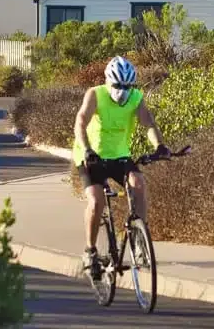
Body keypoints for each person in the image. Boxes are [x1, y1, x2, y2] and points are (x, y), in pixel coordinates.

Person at [72, 55, 170, 278]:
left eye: (127, 86)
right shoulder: (95, 94)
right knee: (96, 201)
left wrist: (160, 145)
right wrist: (87, 149)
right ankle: (90, 250)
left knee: (138, 184)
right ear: (108, 81)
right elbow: (80, 122)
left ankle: (139, 239)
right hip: (92, 156)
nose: (122, 91)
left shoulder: (136, 97)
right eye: (117, 85)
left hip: (119, 156)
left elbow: (148, 123)